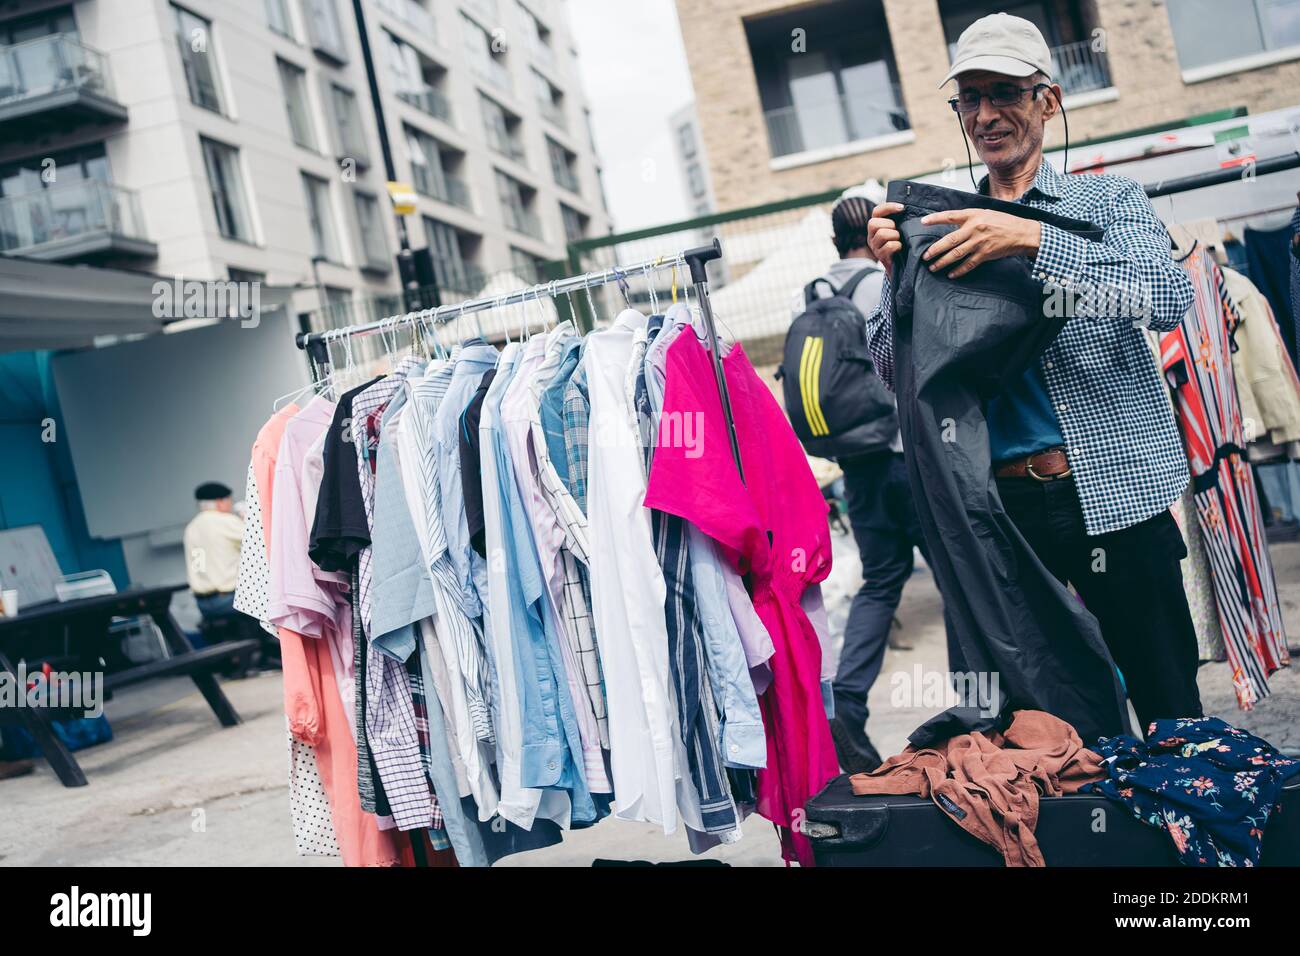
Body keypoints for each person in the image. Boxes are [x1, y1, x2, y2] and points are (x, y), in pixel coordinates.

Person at [864, 12, 1203, 731]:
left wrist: (1035, 240)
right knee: (1049, 730)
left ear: (1048, 100)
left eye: (1006, 94)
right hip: (1005, 517)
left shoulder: (1107, 203)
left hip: (1115, 498)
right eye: (971, 100)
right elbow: (897, 375)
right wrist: (896, 280)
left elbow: (1166, 298)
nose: (986, 116)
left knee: (1170, 708)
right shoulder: (937, 227)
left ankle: (1185, 838)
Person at [792, 184, 945, 773]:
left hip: (856, 465)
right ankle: (975, 705)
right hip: (905, 454)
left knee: (881, 579)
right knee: (953, 576)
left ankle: (846, 706)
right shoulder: (885, 282)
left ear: (834, 240)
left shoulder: (813, 296)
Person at [183, 481, 246, 627]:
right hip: (229, 601)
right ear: (219, 502)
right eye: (230, 500)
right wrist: (246, 519)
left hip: (203, 605)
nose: (231, 505)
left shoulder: (191, 528)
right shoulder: (225, 521)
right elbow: (258, 543)